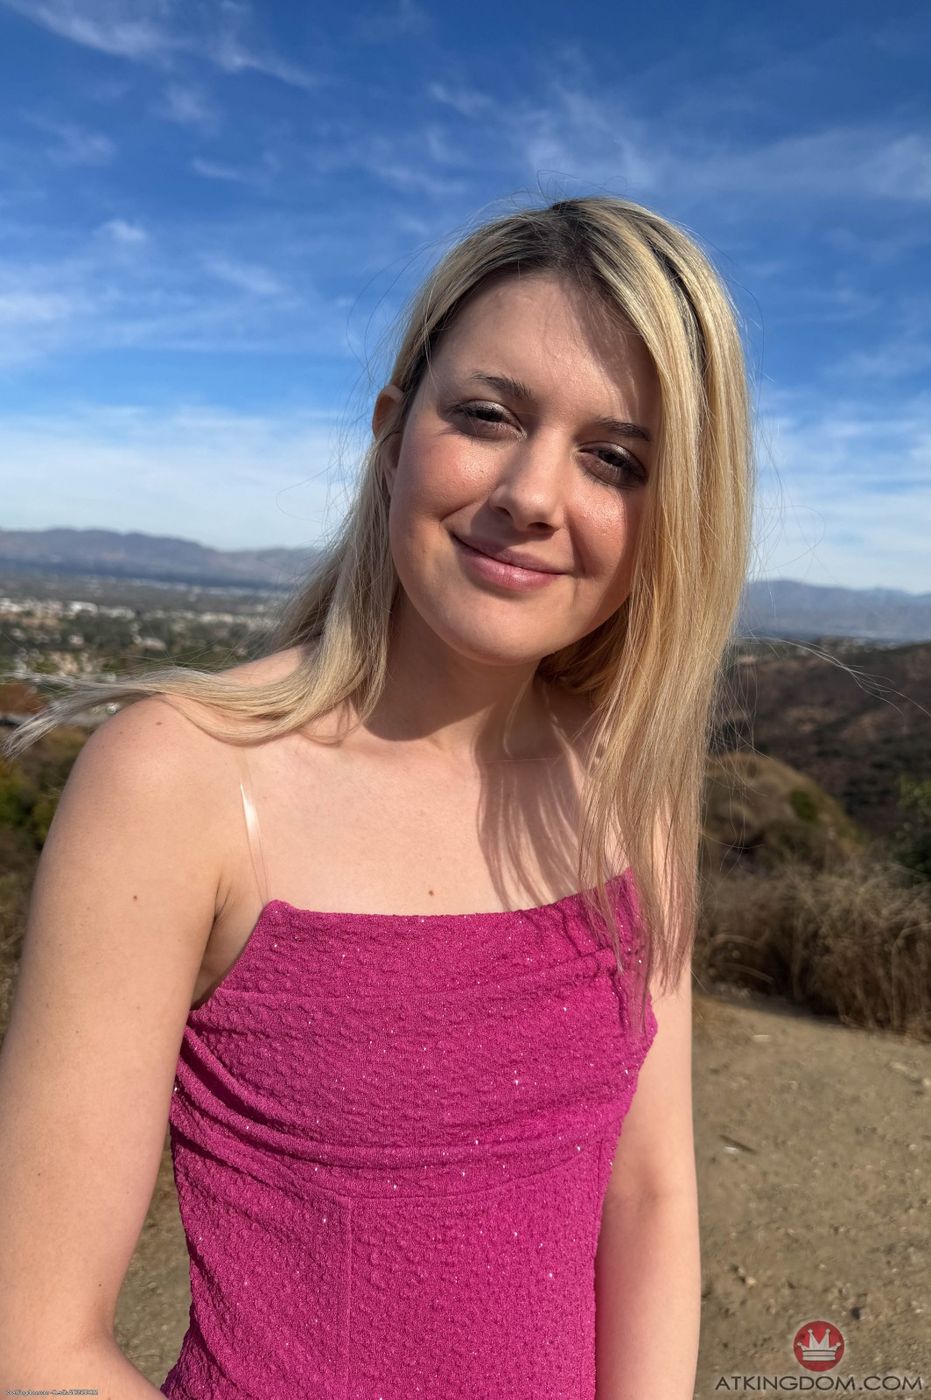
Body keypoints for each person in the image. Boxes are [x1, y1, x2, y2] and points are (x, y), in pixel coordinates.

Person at [0, 194, 753, 1398]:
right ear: (393, 432)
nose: (534, 493)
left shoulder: (632, 782)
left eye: (616, 458)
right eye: (488, 415)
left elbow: (650, 1193)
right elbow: (29, 1340)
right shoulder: (180, 779)